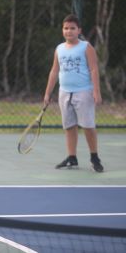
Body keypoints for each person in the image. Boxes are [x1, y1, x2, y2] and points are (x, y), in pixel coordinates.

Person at [43, 14, 104, 173]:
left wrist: (96, 91)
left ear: (79, 30)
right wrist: (48, 93)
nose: (69, 31)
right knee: (69, 126)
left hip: (84, 92)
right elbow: (54, 71)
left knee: (88, 126)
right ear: (62, 30)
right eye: (66, 28)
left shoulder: (86, 47)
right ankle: (72, 157)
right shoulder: (59, 48)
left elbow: (93, 69)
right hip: (64, 92)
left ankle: (94, 158)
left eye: (72, 28)